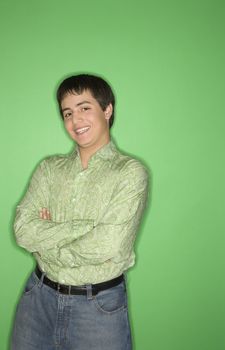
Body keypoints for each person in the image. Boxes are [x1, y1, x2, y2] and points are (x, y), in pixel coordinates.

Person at [11, 74, 149, 350]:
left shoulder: (130, 172)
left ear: (107, 109)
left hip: (98, 308)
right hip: (38, 299)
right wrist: (85, 227)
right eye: (68, 112)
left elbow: (109, 246)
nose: (75, 120)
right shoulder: (49, 169)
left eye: (85, 108)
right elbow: (23, 230)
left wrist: (48, 244)